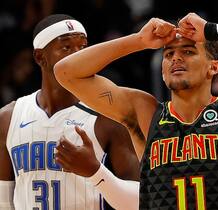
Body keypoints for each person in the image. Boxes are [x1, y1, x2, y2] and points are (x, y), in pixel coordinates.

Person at [54, 12, 218, 209]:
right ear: (162, 69)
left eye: (188, 51)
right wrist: (138, 41)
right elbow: (65, 72)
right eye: (169, 54)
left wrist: (211, 30)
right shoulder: (145, 113)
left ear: (213, 67)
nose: (176, 58)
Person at [0, 14, 139, 210]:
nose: (79, 55)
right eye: (66, 47)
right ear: (40, 57)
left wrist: (96, 172)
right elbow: (3, 201)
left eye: (82, 47)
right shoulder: (8, 117)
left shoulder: (107, 116)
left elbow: (139, 202)